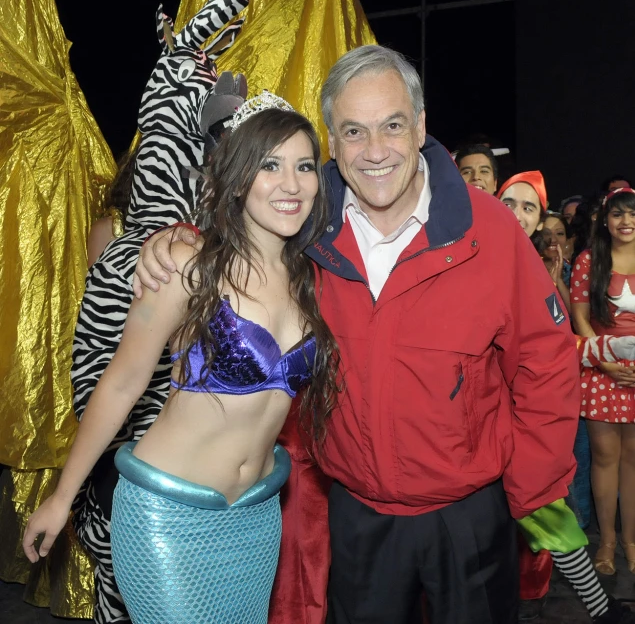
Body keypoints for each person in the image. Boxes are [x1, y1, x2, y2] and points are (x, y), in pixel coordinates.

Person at [135, 45, 580, 624]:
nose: (374, 152)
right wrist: (178, 239)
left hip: (468, 515)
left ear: (420, 127)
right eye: (352, 131)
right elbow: (242, 227)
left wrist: (532, 488)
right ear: (332, 141)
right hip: (357, 516)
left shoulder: (487, 229)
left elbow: (545, 363)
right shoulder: (308, 222)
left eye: (392, 125)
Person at [22, 99, 340, 624]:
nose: (291, 183)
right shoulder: (187, 266)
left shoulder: (310, 280)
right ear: (238, 177)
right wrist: (62, 498)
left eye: (304, 166)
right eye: (270, 165)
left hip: (257, 518)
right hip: (165, 518)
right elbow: (122, 384)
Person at [500, 181, 635, 623]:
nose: (517, 215)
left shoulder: (538, 272)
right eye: (509, 204)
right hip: (482, 417)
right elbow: (571, 326)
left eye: (528, 207)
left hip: (535, 409)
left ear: (539, 220)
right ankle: (604, 556)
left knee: (548, 506)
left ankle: (609, 582)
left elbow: (552, 342)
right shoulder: (584, 263)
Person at [571, 187, 635, 577]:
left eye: (632, 214)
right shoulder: (588, 260)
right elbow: (579, 317)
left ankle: (631, 540)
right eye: (617, 215)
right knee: (605, 460)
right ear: (605, 221)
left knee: (632, 462)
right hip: (601, 371)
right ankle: (607, 541)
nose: (626, 222)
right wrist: (606, 360)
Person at [541, 212, 572, 312]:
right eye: (546, 233)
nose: (553, 239)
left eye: (559, 233)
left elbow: (574, 314)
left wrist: (558, 280)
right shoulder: (525, 267)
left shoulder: (573, 271)